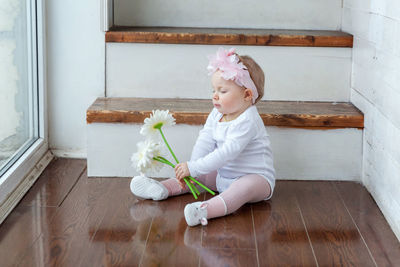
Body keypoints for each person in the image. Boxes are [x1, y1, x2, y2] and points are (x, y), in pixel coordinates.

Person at [131, 47, 275, 226]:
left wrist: (195, 167)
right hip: (223, 176)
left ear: (247, 95)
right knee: (198, 175)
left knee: (242, 188)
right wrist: (191, 168)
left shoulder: (248, 120)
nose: (215, 96)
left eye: (222, 91)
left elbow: (227, 153)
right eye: (213, 90)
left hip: (256, 179)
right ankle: (161, 189)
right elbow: (205, 139)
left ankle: (205, 210)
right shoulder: (217, 113)